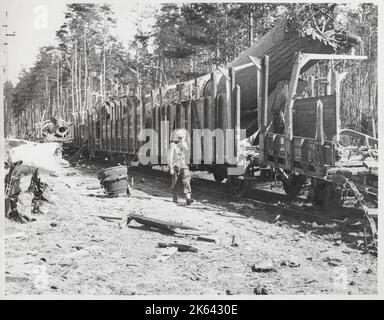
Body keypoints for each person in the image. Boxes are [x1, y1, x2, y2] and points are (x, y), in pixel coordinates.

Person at [168, 129, 193, 205]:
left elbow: (188, 154)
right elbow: (170, 157)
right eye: (179, 137)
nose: (180, 139)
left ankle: (188, 198)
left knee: (186, 181)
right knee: (175, 183)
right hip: (176, 165)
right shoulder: (173, 145)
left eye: (181, 137)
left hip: (184, 165)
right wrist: (171, 168)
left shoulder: (185, 144)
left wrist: (183, 144)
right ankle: (175, 198)